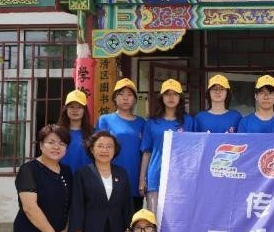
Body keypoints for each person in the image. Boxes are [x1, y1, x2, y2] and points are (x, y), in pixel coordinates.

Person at [139, 79, 195, 214]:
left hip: (181, 177)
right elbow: (147, 152)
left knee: (178, 218)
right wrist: (142, 179)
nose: (171, 97)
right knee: (154, 218)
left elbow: (194, 152)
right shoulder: (152, 123)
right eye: (167, 94)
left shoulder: (188, 121)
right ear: (161, 97)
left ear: (180, 98)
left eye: (175, 94)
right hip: (155, 175)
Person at [97, 78, 145, 212]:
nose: (125, 98)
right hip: (110, 177)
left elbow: (145, 153)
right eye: (121, 94)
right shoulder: (105, 120)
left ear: (134, 99)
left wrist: (143, 179)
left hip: (134, 177)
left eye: (129, 95)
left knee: (133, 218)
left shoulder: (142, 123)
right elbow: (98, 150)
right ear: (114, 98)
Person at [57, 90, 93, 174]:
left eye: (79, 107)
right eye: (71, 107)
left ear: (84, 110)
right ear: (66, 109)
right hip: (62, 177)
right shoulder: (58, 133)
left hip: (86, 178)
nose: (75, 110)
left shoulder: (93, 134)